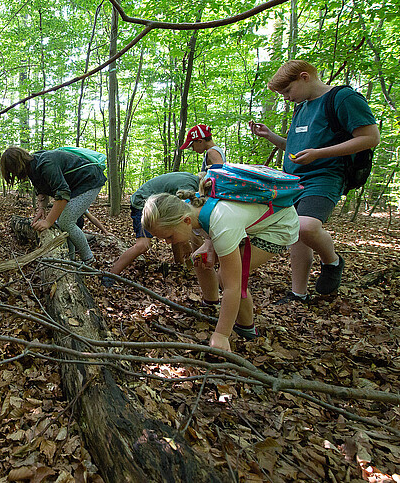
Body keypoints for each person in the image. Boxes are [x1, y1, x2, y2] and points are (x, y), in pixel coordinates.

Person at [249, 60, 380, 302]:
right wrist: (271, 136)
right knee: (296, 233)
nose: (287, 98)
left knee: (306, 226)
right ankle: (299, 293)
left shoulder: (343, 98)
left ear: (305, 77)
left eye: (288, 91)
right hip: (293, 181)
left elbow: (371, 137)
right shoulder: (302, 106)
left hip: (325, 176)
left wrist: (319, 154)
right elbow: (297, 148)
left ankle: (332, 261)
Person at [142, 186, 299, 352]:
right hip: (242, 223)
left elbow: (233, 286)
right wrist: (209, 244)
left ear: (186, 221)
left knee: (227, 277)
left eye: (169, 237)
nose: (167, 242)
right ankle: (211, 303)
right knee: (199, 258)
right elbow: (210, 221)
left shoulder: (221, 224)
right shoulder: (186, 207)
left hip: (278, 226)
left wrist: (221, 334)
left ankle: (246, 328)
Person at [103, 172, 211, 290]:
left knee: (174, 233)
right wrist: (186, 244)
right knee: (143, 245)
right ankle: (110, 276)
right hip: (144, 203)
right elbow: (180, 219)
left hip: (154, 204)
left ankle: (179, 266)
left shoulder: (190, 180)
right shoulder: (190, 186)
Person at [0, 146, 106, 263]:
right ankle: (71, 259)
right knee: (64, 222)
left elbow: (63, 194)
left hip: (90, 179)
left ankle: (88, 259)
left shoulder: (46, 163)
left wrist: (48, 222)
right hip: (76, 186)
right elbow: (42, 191)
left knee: (66, 222)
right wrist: (42, 209)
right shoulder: (33, 168)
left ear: (17, 166)